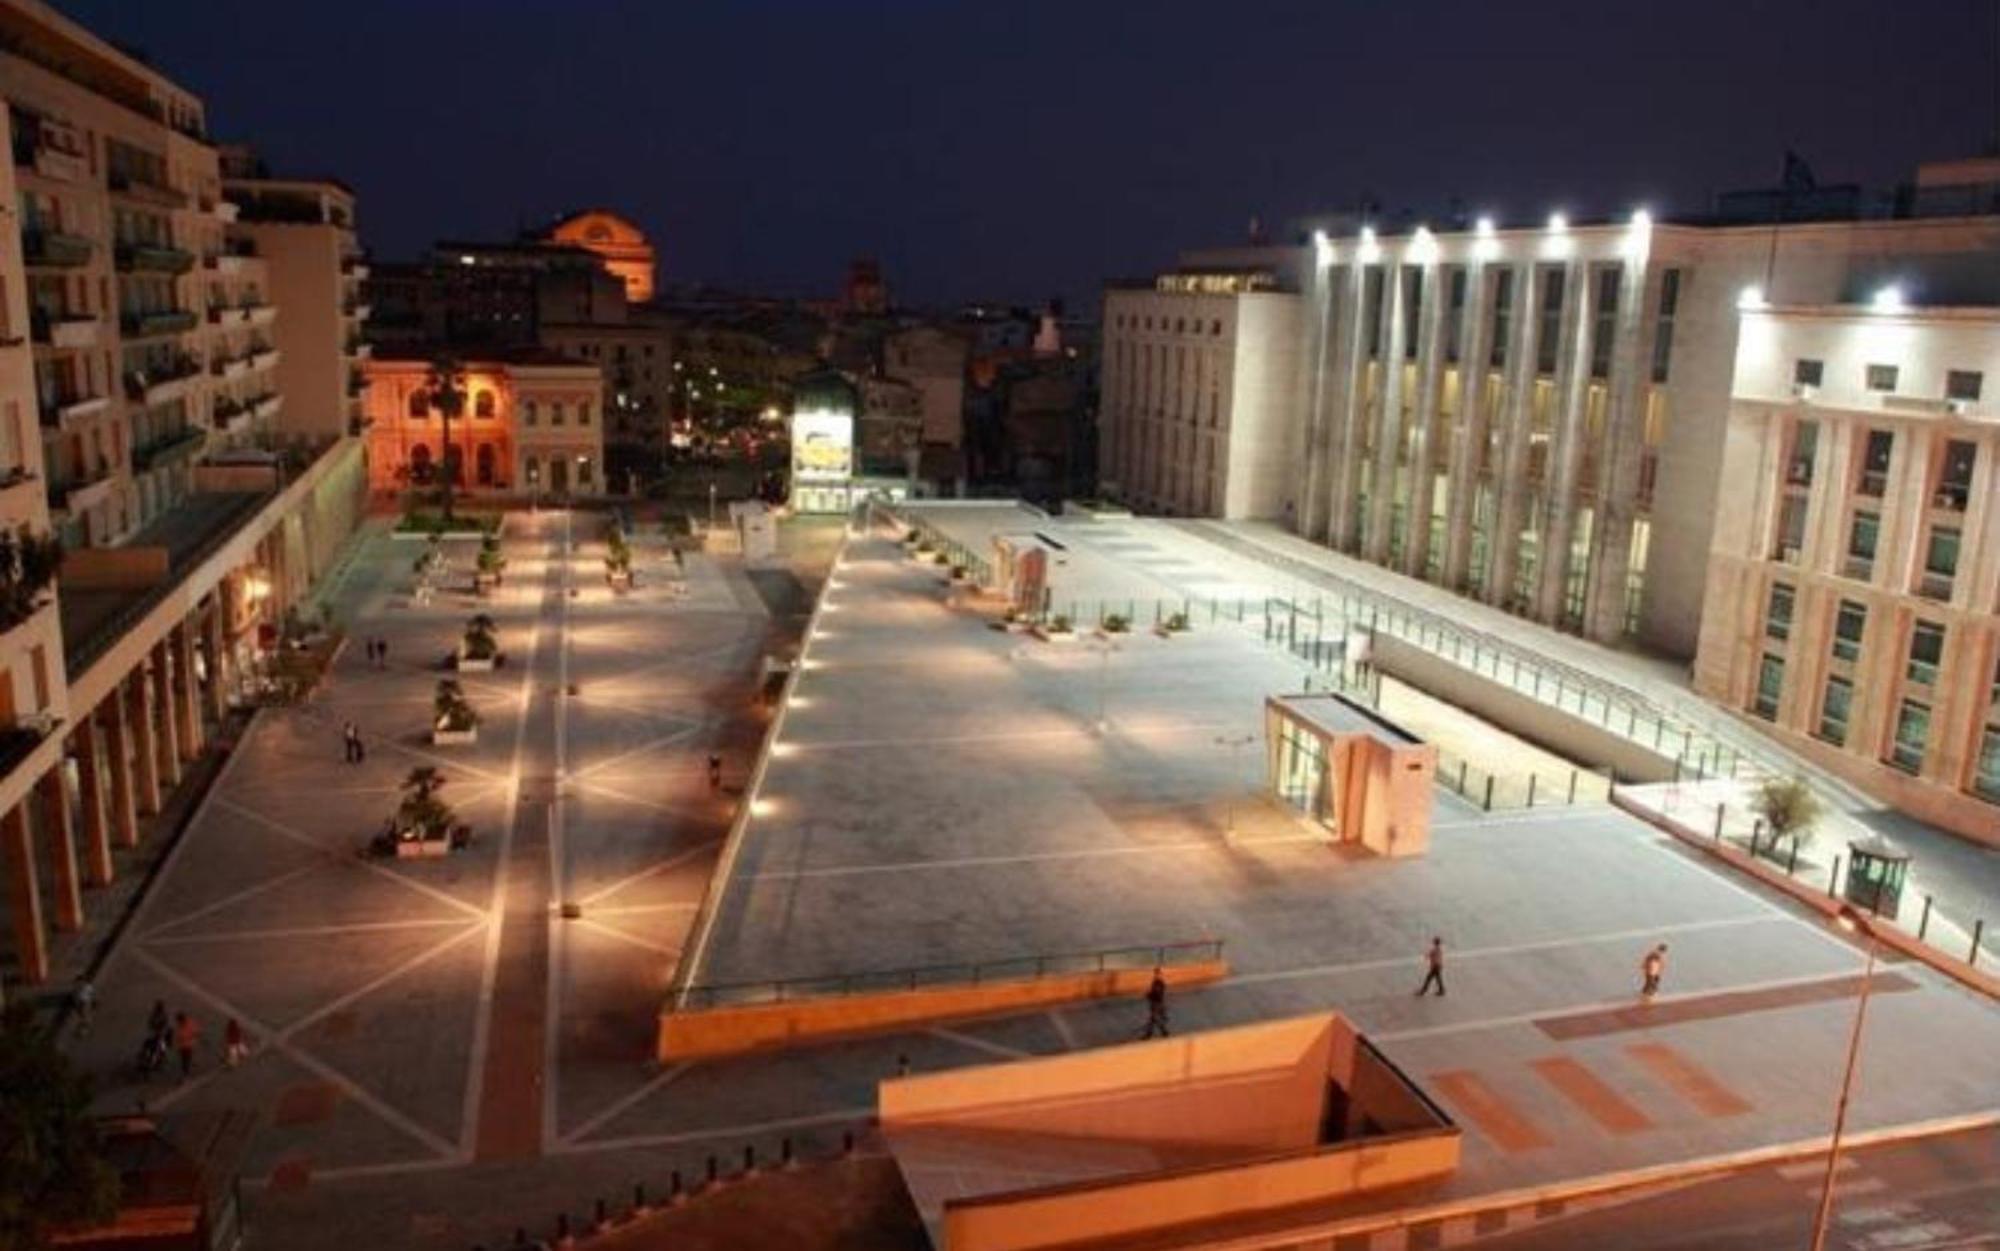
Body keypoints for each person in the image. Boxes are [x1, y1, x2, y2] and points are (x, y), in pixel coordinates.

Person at [1140, 969, 1170, 1039]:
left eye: (1158, 974)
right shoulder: (1155, 982)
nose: (1156, 975)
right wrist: (1149, 995)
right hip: (1155, 1004)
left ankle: (1151, 1034)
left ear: (1160, 975)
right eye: (1155, 974)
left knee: (1154, 1019)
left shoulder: (1160, 983)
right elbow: (1154, 992)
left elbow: (1158, 994)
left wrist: (1149, 995)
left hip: (1158, 1004)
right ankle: (1163, 1032)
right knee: (1153, 1020)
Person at [173, 1011, 201, 1081]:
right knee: (184, 1060)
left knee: (186, 1060)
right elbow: (178, 1037)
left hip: (188, 1046)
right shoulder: (180, 1026)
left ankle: (186, 1074)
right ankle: (186, 1073)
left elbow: (196, 1032)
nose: (178, 1022)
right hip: (183, 1046)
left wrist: (193, 1036)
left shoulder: (188, 1024)